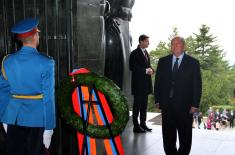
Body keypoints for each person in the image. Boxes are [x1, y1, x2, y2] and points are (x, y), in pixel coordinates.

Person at [0, 18, 55, 155]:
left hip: (13, 118)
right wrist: (49, 128)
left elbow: (3, 92)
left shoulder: (7, 61)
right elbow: (49, 99)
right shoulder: (46, 62)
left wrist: (4, 118)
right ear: (36, 35)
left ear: (20, 39)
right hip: (37, 120)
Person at [154, 36, 202, 155]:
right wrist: (157, 100)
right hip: (167, 106)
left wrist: (195, 104)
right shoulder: (163, 61)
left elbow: (197, 85)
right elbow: (158, 82)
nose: (175, 46)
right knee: (168, 136)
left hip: (185, 107)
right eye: (173, 44)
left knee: (185, 137)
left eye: (178, 44)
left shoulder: (193, 63)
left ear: (184, 46)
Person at [129, 34, 153, 133]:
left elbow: (148, 66)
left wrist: (152, 69)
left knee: (144, 106)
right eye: (147, 41)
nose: (148, 43)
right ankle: (136, 126)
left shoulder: (146, 53)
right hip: (138, 85)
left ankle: (143, 124)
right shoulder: (134, 53)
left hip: (146, 85)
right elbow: (132, 67)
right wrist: (145, 70)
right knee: (137, 106)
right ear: (141, 42)